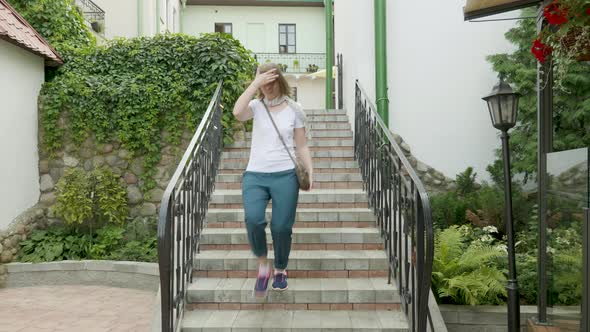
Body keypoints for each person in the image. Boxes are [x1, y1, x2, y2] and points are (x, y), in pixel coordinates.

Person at [232, 63, 313, 296]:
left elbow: (301, 144)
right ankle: (262, 263)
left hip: (286, 174)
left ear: (280, 81)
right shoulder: (256, 107)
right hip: (255, 174)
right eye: (263, 83)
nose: (267, 87)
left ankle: (280, 269)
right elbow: (237, 113)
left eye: (271, 82)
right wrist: (254, 83)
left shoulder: (294, 109)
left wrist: (310, 170)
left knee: (281, 226)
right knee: (253, 219)